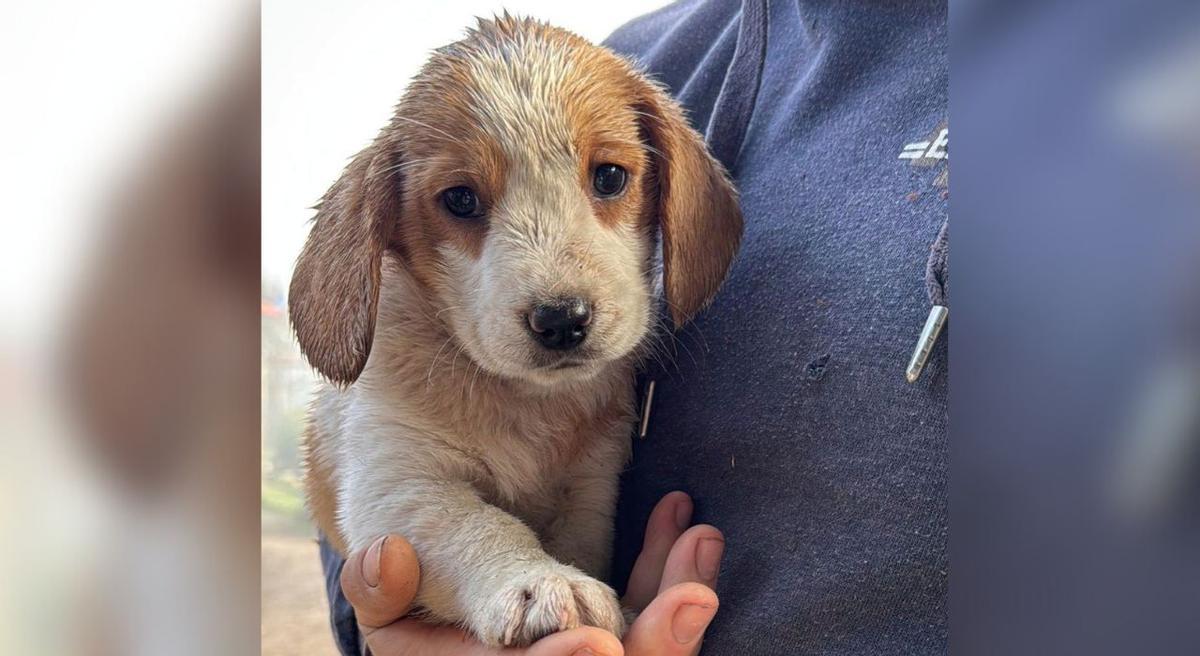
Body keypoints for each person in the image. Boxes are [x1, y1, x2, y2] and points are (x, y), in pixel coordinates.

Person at [320, 0, 947, 653]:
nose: (553, 287)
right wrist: (380, 617)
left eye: (610, 177)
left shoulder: (645, 99)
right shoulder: (665, 50)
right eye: (461, 200)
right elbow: (368, 498)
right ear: (390, 218)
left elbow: (579, 532)